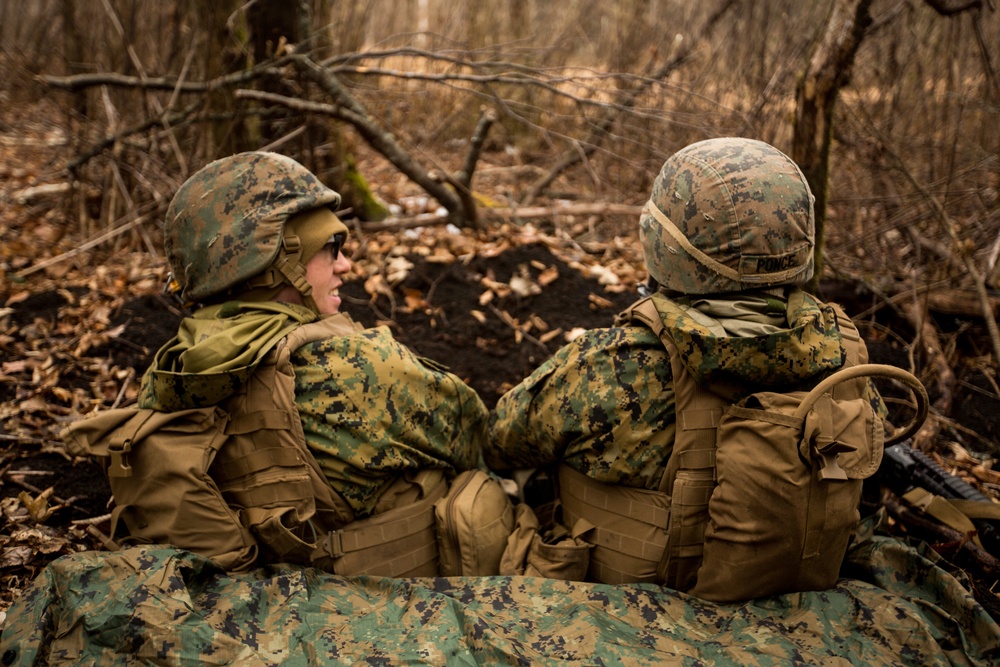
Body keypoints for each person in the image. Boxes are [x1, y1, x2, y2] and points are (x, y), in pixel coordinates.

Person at [486, 137, 889, 596]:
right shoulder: (842, 358)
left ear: (664, 247)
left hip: (629, 614)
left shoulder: (615, 365)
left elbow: (503, 438)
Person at [71, 151, 491, 576]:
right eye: (330, 246)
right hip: (394, 610)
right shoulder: (356, 368)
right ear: (277, 261)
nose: (345, 264)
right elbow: (476, 438)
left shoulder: (175, 370)